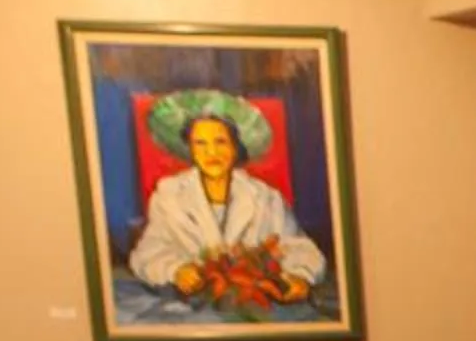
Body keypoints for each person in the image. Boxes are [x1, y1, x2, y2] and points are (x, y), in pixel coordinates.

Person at [125, 90, 327, 301]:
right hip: (188, 305)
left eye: (220, 142)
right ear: (190, 149)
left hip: (254, 302)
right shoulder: (169, 195)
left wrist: (301, 275)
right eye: (200, 144)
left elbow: (298, 246)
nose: (211, 153)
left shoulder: (266, 198)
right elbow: (147, 252)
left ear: (235, 147)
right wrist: (175, 270)